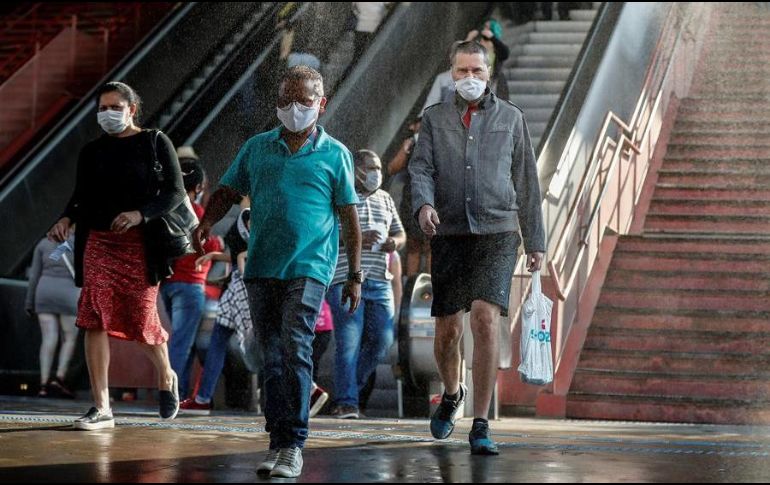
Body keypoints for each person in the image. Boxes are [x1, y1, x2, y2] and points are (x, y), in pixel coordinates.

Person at [193, 65, 361, 479]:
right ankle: (276, 438)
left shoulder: (335, 154)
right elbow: (229, 192)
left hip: (310, 267)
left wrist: (354, 275)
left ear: (320, 104)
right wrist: (205, 223)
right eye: (285, 100)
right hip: (262, 267)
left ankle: (292, 444)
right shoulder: (256, 148)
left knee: (295, 347)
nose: (293, 108)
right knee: (270, 355)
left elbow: (350, 221)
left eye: (303, 101)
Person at [410, 41, 545, 455]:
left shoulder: (511, 118)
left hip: (498, 230)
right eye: (462, 71)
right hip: (449, 231)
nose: (470, 79)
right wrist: (424, 204)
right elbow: (421, 167)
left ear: (490, 76)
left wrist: (535, 240)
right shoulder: (434, 119)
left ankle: (482, 423)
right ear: (451, 73)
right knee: (448, 330)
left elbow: (526, 179)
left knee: (485, 319)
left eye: (477, 72)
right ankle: (453, 393)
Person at [47, 81, 184, 430]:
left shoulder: (155, 141)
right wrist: (66, 218)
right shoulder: (92, 152)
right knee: (93, 316)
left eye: (114, 107)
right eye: (102, 108)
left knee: (140, 318)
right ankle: (102, 406)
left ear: (131, 109)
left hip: (140, 245)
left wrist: (141, 214)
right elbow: (81, 195)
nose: (107, 114)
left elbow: (174, 192)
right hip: (98, 242)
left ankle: (166, 376)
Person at [326, 149, 405, 420]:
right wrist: (356, 237)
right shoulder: (340, 197)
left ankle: (348, 390)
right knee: (348, 341)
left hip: (380, 281)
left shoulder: (385, 199)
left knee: (383, 339)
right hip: (346, 279)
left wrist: (395, 242)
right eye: (371, 168)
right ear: (357, 170)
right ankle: (348, 402)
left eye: (379, 168)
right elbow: (326, 238)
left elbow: (400, 232)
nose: (376, 173)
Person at [180, 208, 253, 415]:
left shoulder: (252, 214)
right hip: (239, 290)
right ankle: (202, 399)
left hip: (244, 291)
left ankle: (309, 388)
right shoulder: (248, 215)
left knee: (264, 344)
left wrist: (240, 260)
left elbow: (256, 248)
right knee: (219, 342)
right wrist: (214, 255)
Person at [161, 156, 223, 400]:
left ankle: (181, 391)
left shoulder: (167, 210)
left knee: (179, 341)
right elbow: (208, 244)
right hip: (190, 286)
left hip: (168, 283)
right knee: (181, 344)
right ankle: (171, 394)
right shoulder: (196, 212)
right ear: (198, 188)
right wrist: (218, 243)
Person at [25, 235, 81, 399]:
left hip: (44, 293)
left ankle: (43, 384)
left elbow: (34, 275)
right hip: (68, 295)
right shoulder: (78, 242)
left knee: (48, 339)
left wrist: (29, 302)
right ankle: (59, 378)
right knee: (69, 338)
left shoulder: (43, 243)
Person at [387, 117, 431, 276]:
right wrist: (405, 148)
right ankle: (412, 286)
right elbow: (392, 168)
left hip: (435, 201)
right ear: (413, 126)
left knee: (431, 246)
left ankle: (431, 289)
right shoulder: (410, 144)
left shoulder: (440, 143)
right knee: (414, 245)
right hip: (412, 202)